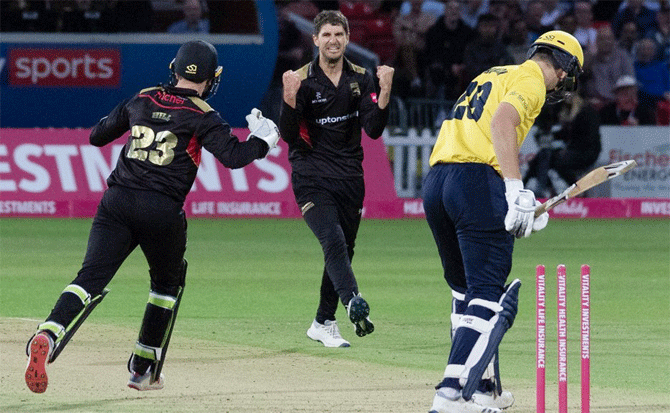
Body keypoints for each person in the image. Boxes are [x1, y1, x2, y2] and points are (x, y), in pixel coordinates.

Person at [24, 40, 279, 393]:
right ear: (212, 78)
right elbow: (234, 157)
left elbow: (98, 136)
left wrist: (125, 116)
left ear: (174, 68)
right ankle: (144, 370)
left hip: (116, 203)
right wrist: (265, 140)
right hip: (161, 211)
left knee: (90, 278)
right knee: (166, 284)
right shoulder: (204, 114)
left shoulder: (142, 98)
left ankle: (48, 335)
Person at [422, 30, 583, 413]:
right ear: (563, 68)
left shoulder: (494, 73)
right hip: (476, 180)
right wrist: (514, 191)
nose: (563, 83)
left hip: (438, 182)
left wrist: (516, 199)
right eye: (567, 75)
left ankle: (482, 387)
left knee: (465, 292)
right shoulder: (532, 80)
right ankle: (449, 393)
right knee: (488, 293)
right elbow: (502, 123)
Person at [279, 10, 394, 348]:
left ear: (347, 39)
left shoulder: (361, 77)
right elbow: (290, 136)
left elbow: (373, 130)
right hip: (311, 177)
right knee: (333, 241)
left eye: (338, 35)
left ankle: (322, 321)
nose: (333, 41)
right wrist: (288, 100)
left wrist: (385, 91)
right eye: (326, 35)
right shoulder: (300, 80)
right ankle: (352, 302)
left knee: (344, 249)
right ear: (315, 39)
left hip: (350, 179)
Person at [522, 89, 602, 198]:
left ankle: (577, 189)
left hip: (586, 152)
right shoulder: (571, 113)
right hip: (574, 150)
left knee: (559, 162)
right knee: (541, 157)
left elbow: (587, 139)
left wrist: (568, 149)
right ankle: (536, 187)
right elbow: (567, 134)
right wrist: (550, 135)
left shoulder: (587, 112)